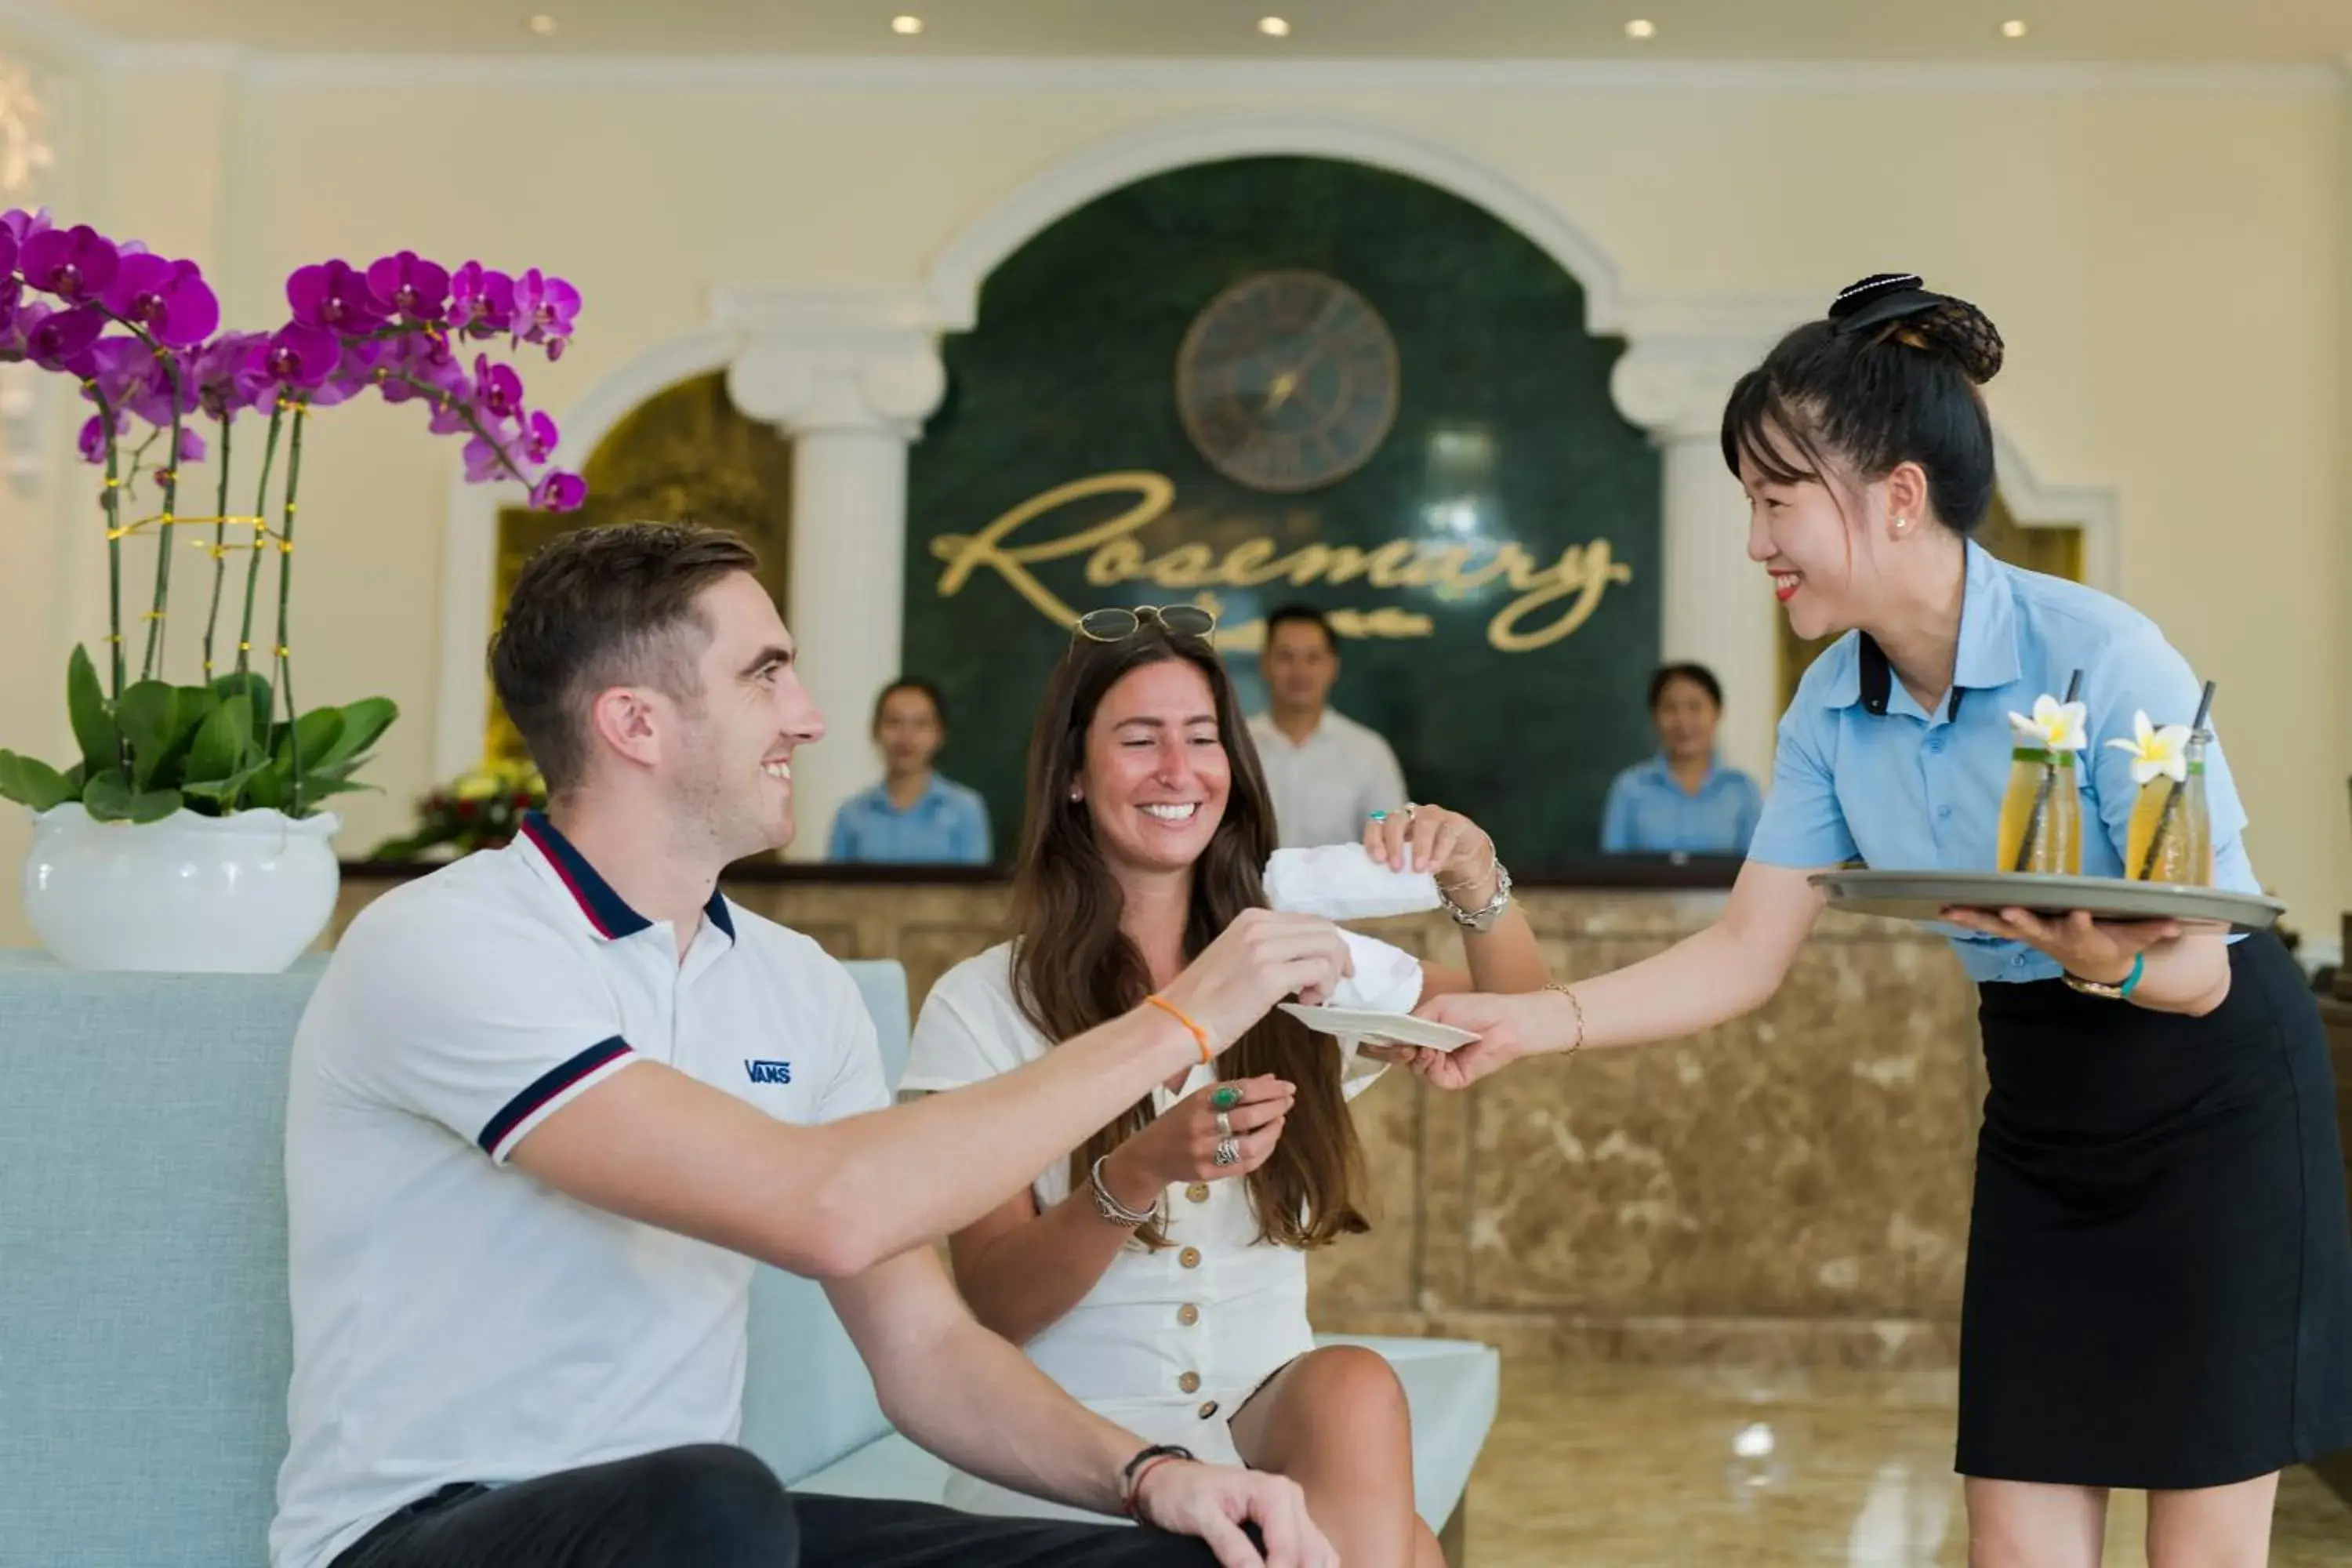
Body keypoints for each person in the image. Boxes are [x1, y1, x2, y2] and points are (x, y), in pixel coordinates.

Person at [1392, 274, 2352, 1566]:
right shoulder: (1827, 716)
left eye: (1776, 499)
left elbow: (2194, 976)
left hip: (2217, 1103)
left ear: (1899, 496)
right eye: (1749, 500)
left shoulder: (2109, 659)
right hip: (2044, 1107)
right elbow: (1743, 953)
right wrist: (1526, 1021)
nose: (1755, 540)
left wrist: (2096, 965)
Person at [273, 525, 1353, 1568]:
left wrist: (1154, 1475)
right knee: (713, 1498)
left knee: (1201, 1553)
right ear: (636, 724)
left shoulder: (799, 989)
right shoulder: (450, 941)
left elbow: (928, 1352)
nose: (811, 716)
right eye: (767, 675)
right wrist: (1184, 1019)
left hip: (703, 1536)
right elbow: (827, 1210)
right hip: (430, 1533)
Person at [899, 603, 1550, 1568]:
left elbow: (1518, 1011)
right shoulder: (981, 1005)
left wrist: (1475, 875)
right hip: (1077, 1448)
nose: (1179, 769)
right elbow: (993, 1304)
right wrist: (1135, 1173)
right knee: (1405, 1548)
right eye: (1139, 738)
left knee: (1355, 1383)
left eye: (1202, 737)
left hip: (1264, 1422)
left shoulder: (1295, 962)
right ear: (1073, 775)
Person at [1246, 604, 1409, 849]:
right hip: (1245, 888)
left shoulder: (1369, 752)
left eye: (1313, 658)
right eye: (1286, 657)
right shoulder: (1236, 743)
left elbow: (1392, 841)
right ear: (1264, 664)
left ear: (1333, 666)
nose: (1300, 671)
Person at [1599, 662, 1764, 855]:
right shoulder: (1629, 788)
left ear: (1718, 713)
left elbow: (1759, 871)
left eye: (1695, 708)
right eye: (1670, 709)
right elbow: (1611, 873)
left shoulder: (1743, 790)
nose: (1683, 721)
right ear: (1655, 717)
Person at [827, 677, 993, 864]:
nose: (906, 736)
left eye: (920, 724)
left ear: (940, 734)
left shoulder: (965, 810)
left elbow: (976, 891)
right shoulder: (851, 814)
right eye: (894, 722)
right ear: (875, 730)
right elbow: (834, 891)